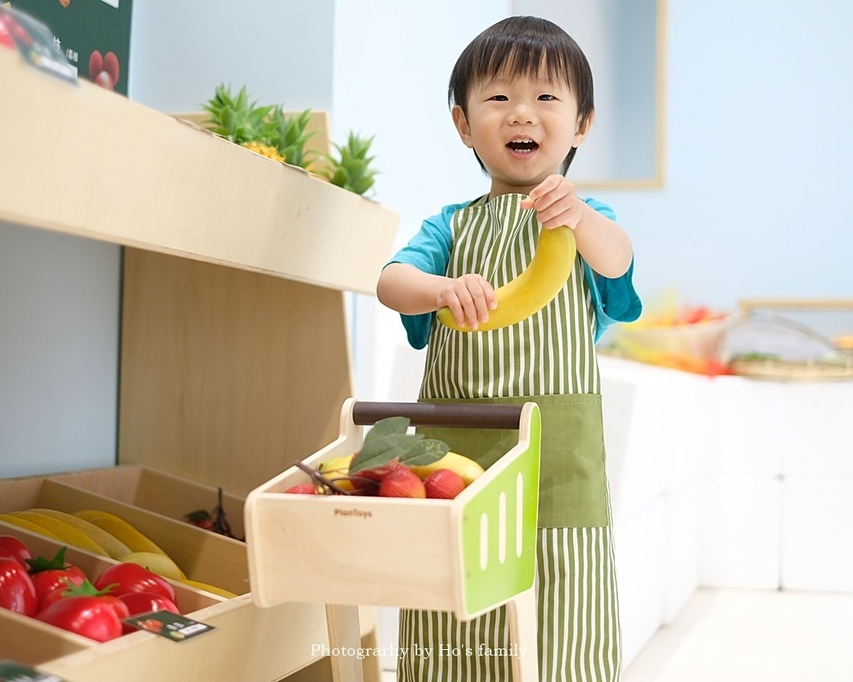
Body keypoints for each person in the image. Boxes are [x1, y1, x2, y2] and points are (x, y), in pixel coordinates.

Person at [376, 15, 642, 682]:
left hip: (557, 455)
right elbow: (390, 282)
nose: (521, 112)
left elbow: (615, 264)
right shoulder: (450, 225)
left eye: (546, 97)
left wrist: (577, 218)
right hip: (453, 448)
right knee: (453, 594)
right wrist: (440, 289)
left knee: (561, 589)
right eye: (497, 97)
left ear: (581, 123)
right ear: (463, 124)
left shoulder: (589, 224)